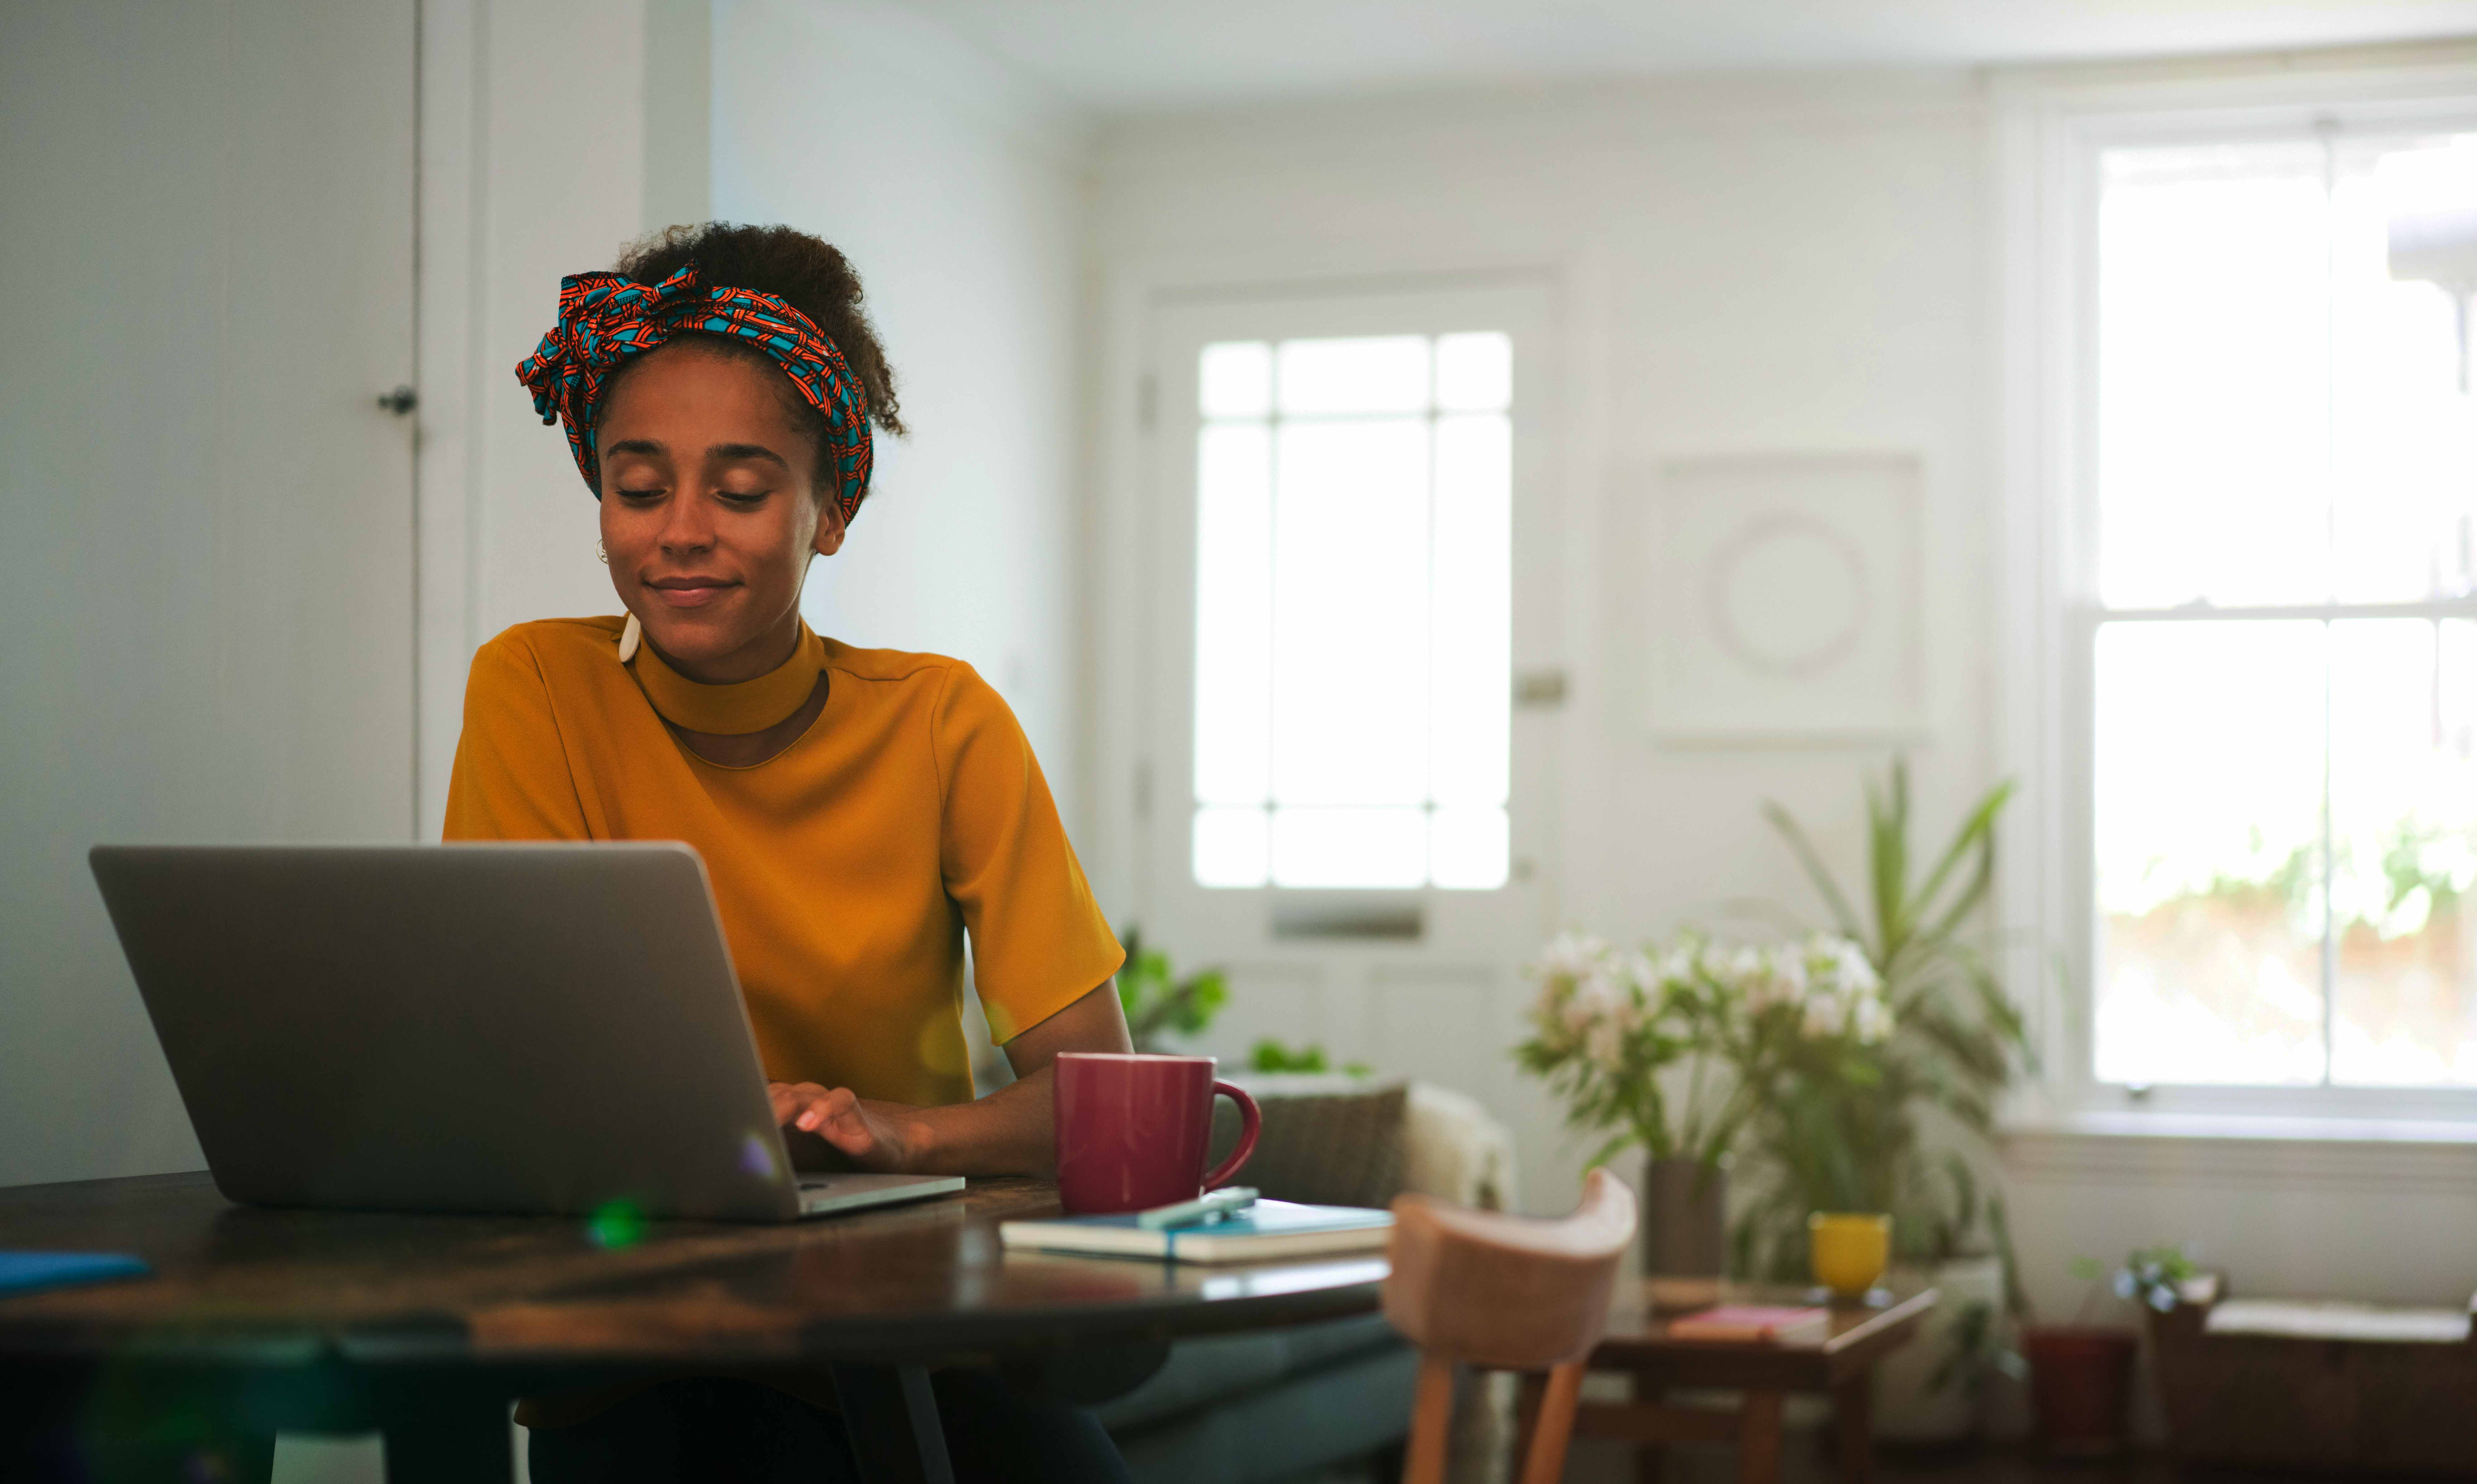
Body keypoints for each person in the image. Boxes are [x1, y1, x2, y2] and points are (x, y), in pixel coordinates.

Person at [445, 222, 1136, 1483]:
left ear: (832, 512)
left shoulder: (942, 722)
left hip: (899, 1325)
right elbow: (508, 1074)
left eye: (743, 490)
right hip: (639, 1339)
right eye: (637, 486)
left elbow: (1097, 1098)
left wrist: (900, 1136)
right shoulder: (533, 688)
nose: (680, 532)